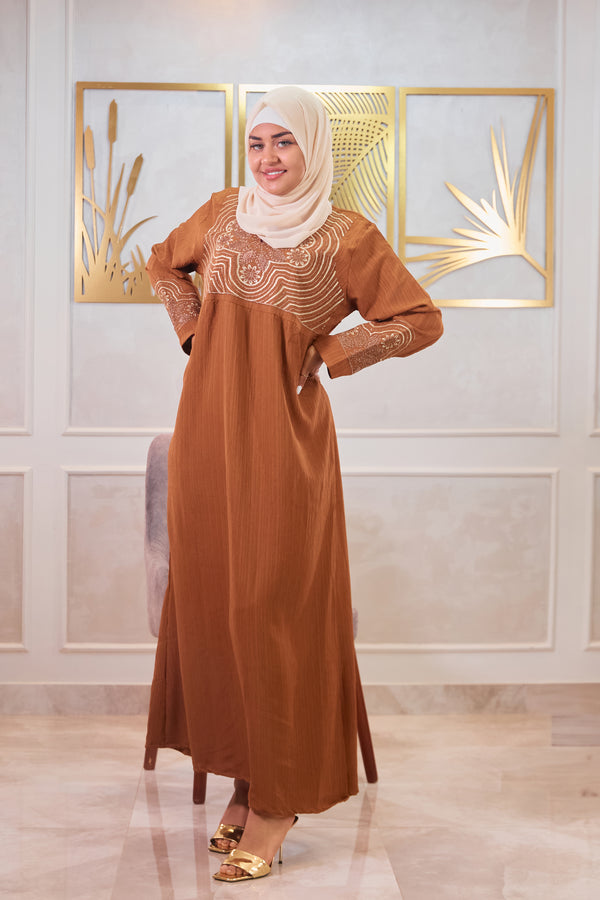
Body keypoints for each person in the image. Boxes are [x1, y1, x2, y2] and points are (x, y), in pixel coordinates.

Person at [145, 85, 443, 883]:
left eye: (285, 143)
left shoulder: (346, 234)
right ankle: (245, 776)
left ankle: (279, 801)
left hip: (284, 442)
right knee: (220, 605)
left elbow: (419, 318)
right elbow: (161, 263)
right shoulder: (218, 211)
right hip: (205, 434)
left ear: (314, 149)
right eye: (257, 143)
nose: (269, 160)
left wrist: (334, 353)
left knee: (268, 608)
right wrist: (192, 327)